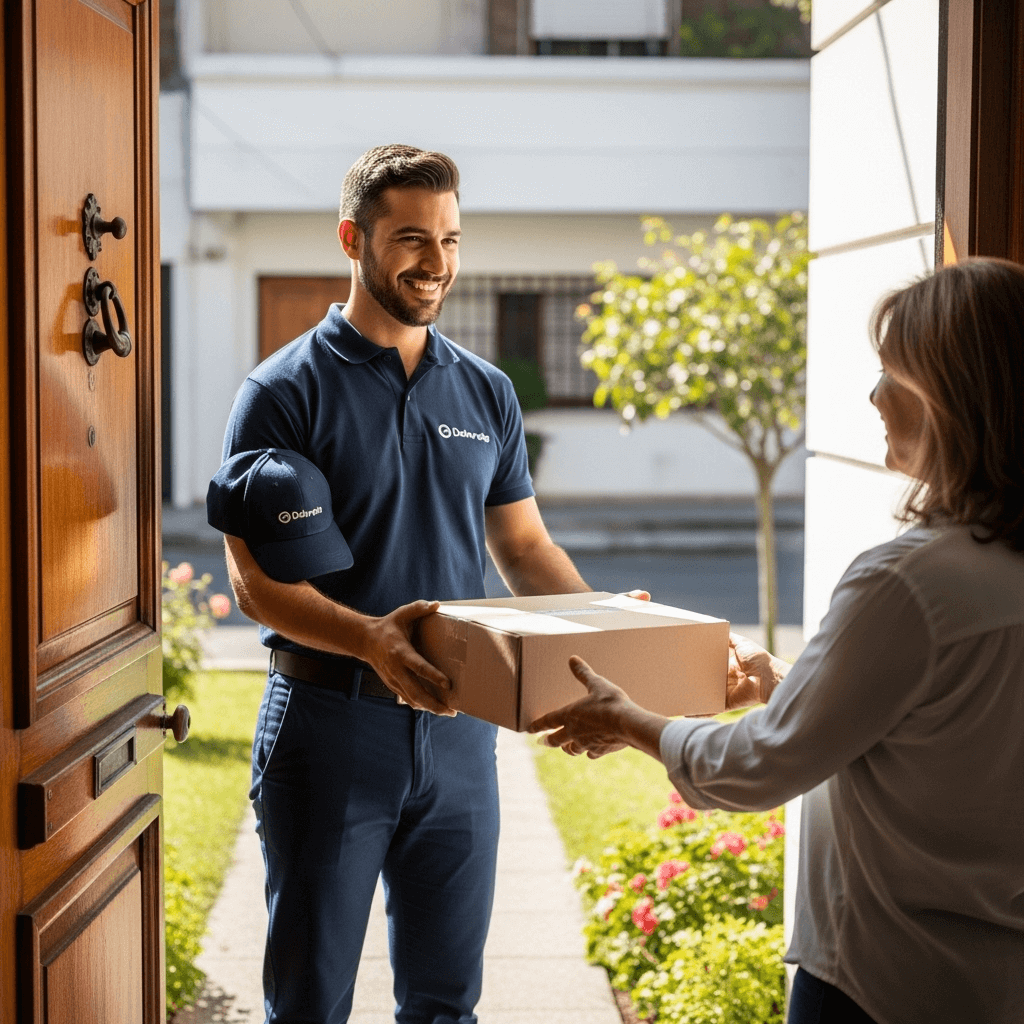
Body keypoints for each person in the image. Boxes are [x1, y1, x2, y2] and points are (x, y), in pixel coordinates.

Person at [528, 257, 1024, 1024]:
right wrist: (782, 682)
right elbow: (931, 738)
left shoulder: (906, 584)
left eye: (890, 373)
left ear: (947, 400)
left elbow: (758, 767)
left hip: (877, 985)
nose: (872, 396)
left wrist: (628, 721)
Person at [209, 144, 593, 1024]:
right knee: (309, 1002)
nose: (437, 263)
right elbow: (254, 585)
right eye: (412, 239)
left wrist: (596, 630)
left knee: (446, 1002)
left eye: (451, 240)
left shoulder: (486, 391)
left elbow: (526, 547)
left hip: (460, 738)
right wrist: (370, 640)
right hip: (329, 725)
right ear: (353, 238)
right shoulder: (281, 392)